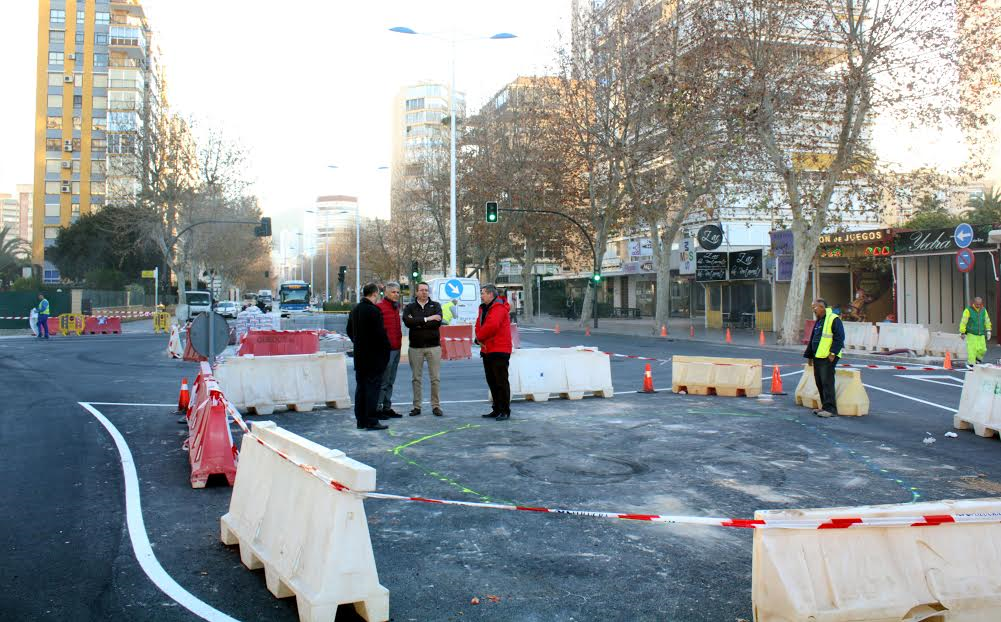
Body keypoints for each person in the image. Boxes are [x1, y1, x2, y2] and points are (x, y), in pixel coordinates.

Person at [346, 283, 391, 431]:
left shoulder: (355, 310)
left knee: (361, 389)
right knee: (372, 389)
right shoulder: (374, 311)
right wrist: (385, 351)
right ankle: (371, 420)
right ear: (374, 294)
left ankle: (361, 420)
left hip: (360, 356)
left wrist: (358, 342)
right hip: (374, 357)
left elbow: (349, 330)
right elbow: (380, 335)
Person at [403, 282, 445, 417]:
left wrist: (418, 322)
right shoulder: (409, 307)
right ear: (416, 292)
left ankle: (436, 406)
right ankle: (417, 406)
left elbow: (437, 322)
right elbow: (408, 322)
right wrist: (428, 319)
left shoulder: (436, 306)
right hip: (416, 348)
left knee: (435, 379)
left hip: (433, 347)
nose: (424, 292)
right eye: (421, 290)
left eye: (426, 290)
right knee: (416, 378)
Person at [476, 284, 513, 420]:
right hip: (487, 349)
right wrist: (479, 337)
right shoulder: (484, 308)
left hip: (499, 349)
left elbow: (492, 326)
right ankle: (497, 408)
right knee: (492, 381)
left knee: (501, 381)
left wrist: (478, 337)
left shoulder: (498, 308)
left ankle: (504, 410)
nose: (481, 295)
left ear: (491, 294)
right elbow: (478, 324)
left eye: (483, 293)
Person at [803, 298, 845, 418]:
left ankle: (830, 409)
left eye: (814, 307)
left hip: (828, 357)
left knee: (827, 382)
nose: (813, 310)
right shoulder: (819, 321)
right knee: (819, 382)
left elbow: (840, 337)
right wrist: (809, 356)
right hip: (818, 356)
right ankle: (824, 406)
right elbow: (813, 339)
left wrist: (832, 353)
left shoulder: (833, 319)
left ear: (822, 307)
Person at [375, 282, 404, 420]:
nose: (396, 295)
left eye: (398, 292)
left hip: (397, 348)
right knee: (384, 381)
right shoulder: (379, 308)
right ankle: (378, 408)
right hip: (386, 350)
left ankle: (387, 407)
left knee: (391, 380)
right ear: (386, 293)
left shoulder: (395, 307)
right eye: (393, 292)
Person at [959, 296, 992, 367]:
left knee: (983, 349)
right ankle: (971, 364)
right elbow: (963, 321)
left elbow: (987, 320)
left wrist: (988, 330)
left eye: (980, 304)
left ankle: (978, 359)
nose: (978, 306)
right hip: (971, 333)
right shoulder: (968, 310)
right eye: (977, 304)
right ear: (974, 303)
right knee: (972, 350)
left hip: (981, 334)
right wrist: (962, 332)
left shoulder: (983, 310)